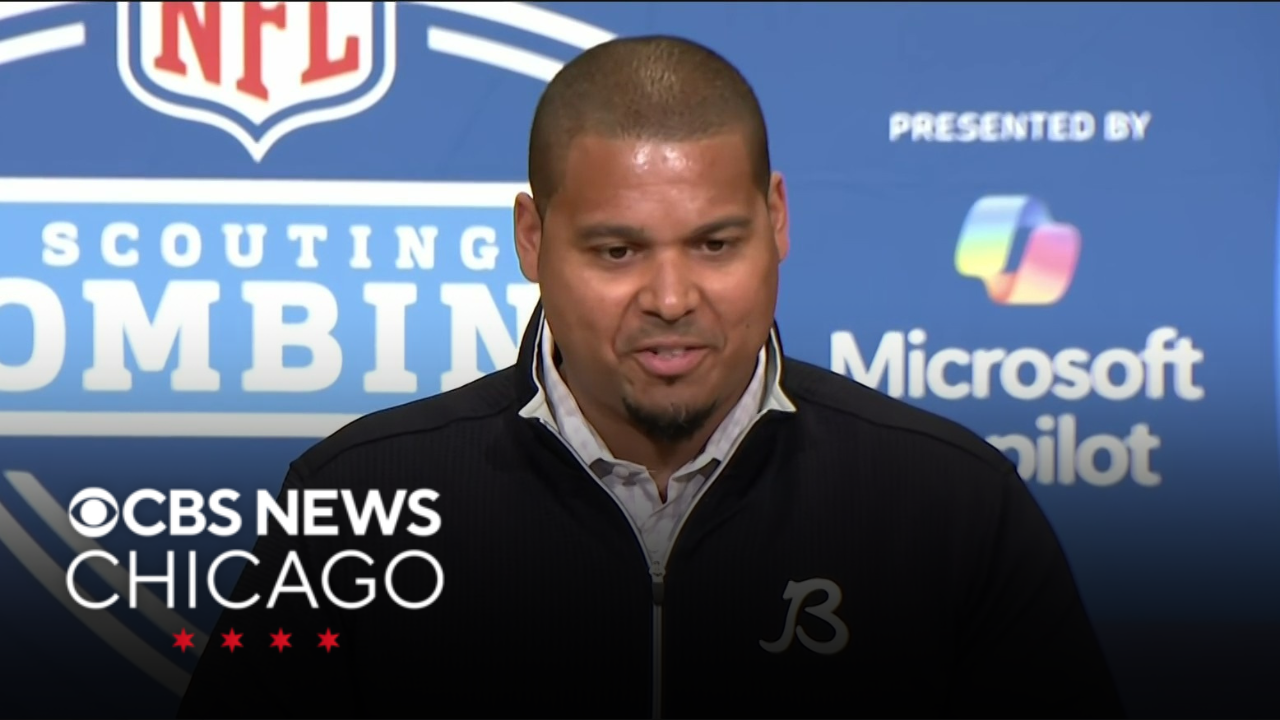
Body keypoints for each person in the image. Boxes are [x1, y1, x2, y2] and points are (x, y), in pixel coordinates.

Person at [178, 35, 1125, 719]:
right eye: (617, 250)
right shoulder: (362, 499)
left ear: (777, 220)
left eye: (715, 244)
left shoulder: (952, 503)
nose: (671, 299)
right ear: (532, 240)